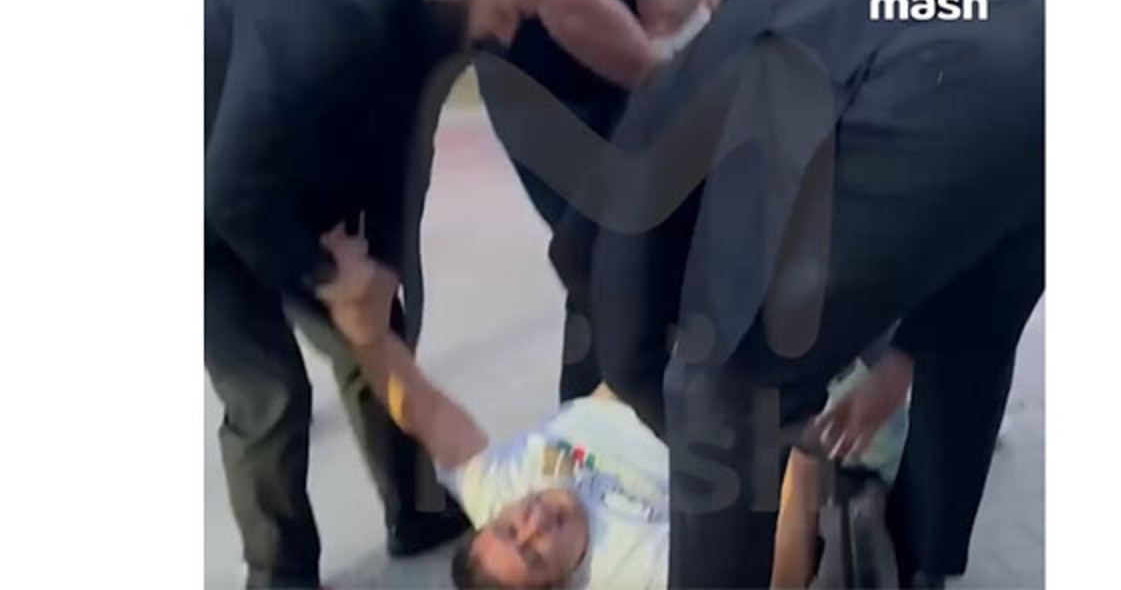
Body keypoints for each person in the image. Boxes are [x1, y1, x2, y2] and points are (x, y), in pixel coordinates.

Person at [580, 0, 1044, 589]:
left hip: (959, 61)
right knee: (973, 337)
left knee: (726, 390)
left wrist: (697, 429)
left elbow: (640, 354)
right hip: (1038, 28)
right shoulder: (791, 16)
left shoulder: (675, 115)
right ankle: (926, 564)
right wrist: (897, 361)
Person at [203, 0, 565, 587]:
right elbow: (227, 192)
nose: (507, 35)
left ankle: (416, 511)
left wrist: (381, 270)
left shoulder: (418, 7)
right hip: (205, 193)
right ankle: (280, 572)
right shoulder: (324, 14)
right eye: (507, 11)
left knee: (374, 340)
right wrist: (326, 277)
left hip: (273, 165)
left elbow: (399, 151)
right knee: (268, 392)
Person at [311, 224, 911, 589]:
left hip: (649, 350)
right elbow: (778, 581)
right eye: (535, 553)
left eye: (509, 528)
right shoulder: (625, 569)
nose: (532, 522)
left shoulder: (500, 493)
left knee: (580, 245)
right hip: (727, 406)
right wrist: (802, 457)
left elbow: (428, 417)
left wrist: (364, 327)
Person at [475, 0, 716, 403]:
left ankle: (608, 423)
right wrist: (674, 90)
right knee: (614, 264)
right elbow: (571, 8)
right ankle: (607, 428)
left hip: (637, 64)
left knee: (631, 270)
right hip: (548, 88)